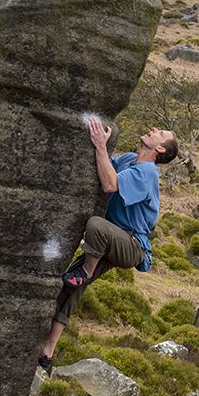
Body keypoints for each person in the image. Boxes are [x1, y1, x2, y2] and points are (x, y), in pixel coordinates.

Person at [37, 117, 178, 369]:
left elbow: (110, 184)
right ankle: (47, 352)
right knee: (71, 287)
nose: (154, 128)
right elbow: (104, 169)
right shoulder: (128, 160)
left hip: (131, 245)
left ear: (161, 150)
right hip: (111, 239)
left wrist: (101, 146)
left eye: (161, 132)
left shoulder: (146, 174)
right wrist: (99, 146)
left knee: (95, 225)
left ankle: (87, 270)